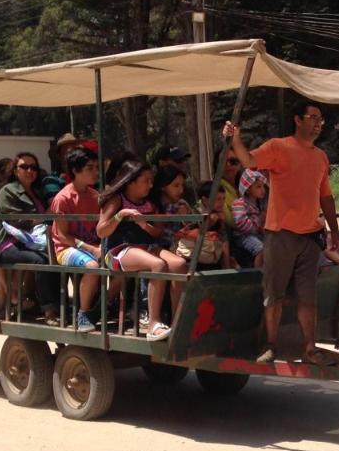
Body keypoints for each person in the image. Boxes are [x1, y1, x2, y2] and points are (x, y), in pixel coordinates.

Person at [222, 99, 339, 366]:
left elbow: (326, 197)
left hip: (310, 238)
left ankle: (310, 349)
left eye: (320, 119)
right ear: (297, 120)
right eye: (312, 118)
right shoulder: (278, 147)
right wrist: (235, 139)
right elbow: (249, 161)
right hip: (280, 235)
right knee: (273, 294)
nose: (318, 123)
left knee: (308, 297)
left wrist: (336, 232)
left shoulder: (320, 157)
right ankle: (271, 345)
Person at [96, 160, 187, 340]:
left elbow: (158, 231)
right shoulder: (117, 200)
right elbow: (101, 230)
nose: (151, 185)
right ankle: (153, 323)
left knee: (179, 264)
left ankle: (179, 320)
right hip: (119, 250)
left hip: (146, 247)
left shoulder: (150, 203)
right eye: (146, 180)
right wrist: (120, 215)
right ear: (131, 181)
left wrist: (145, 226)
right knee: (158, 265)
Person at [0, 152, 59, 323]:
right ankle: (49, 311)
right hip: (9, 243)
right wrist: (43, 216)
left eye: (33, 167)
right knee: (42, 261)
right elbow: (15, 221)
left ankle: (58, 304)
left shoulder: (37, 191)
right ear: (15, 170)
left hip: (36, 241)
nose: (29, 170)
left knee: (57, 259)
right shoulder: (7, 191)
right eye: (24, 166)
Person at [49, 146, 104, 332]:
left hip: (91, 246)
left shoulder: (95, 196)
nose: (96, 172)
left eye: (96, 167)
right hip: (66, 249)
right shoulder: (63, 199)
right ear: (75, 170)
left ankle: (107, 306)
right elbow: (62, 235)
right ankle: (83, 313)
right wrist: (90, 248)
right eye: (90, 168)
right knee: (92, 267)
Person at [175, 180, 233, 270]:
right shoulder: (195, 213)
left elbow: (223, 239)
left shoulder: (218, 213)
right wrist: (210, 223)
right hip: (195, 254)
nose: (221, 203)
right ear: (205, 200)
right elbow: (192, 233)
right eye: (218, 199)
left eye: (223, 199)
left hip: (212, 253)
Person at [228, 168, 267, 267]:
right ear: (248, 189)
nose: (262, 190)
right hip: (244, 236)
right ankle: (257, 275)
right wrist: (258, 222)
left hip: (257, 235)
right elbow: (241, 223)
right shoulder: (240, 203)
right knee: (261, 249)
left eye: (263, 186)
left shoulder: (260, 204)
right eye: (258, 187)